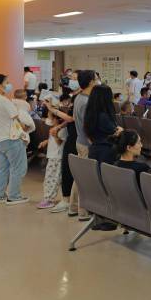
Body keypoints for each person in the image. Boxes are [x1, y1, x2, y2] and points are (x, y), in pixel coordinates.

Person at [0, 74, 30, 205]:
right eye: (6, 82)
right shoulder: (3, 100)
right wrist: (25, 130)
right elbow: (17, 117)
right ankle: (14, 196)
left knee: (2, 168)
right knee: (18, 167)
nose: (9, 85)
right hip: (11, 138)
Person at [67, 70, 98, 219]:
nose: (98, 80)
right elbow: (88, 126)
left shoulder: (79, 97)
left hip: (80, 140)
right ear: (91, 81)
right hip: (87, 143)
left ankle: (73, 207)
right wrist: (94, 143)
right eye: (96, 78)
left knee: (79, 176)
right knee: (85, 178)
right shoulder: (86, 101)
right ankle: (83, 211)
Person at [84, 85, 124, 165]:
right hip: (106, 152)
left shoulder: (91, 112)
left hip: (94, 149)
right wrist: (121, 130)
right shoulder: (103, 116)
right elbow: (116, 132)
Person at [36, 112, 67, 209]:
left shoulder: (62, 130)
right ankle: (51, 198)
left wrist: (54, 135)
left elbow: (59, 142)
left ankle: (49, 199)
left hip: (56, 158)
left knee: (52, 179)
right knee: (51, 178)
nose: (49, 120)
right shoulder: (55, 128)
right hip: (52, 157)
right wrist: (46, 141)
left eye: (51, 118)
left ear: (57, 119)